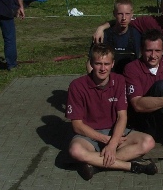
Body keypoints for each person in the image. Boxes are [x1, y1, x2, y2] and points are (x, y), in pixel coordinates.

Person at [67, 43, 157, 181]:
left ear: (113, 64)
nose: (103, 68)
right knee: (75, 151)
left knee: (148, 142)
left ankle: (95, 165)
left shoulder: (119, 80)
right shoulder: (77, 85)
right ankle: (130, 166)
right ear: (91, 64)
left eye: (106, 64)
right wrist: (107, 141)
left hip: (114, 132)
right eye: (98, 64)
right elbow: (77, 125)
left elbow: (122, 116)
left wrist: (112, 143)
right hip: (89, 135)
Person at [88, 0, 141, 75]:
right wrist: (94, 79)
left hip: (130, 77)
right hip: (108, 77)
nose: (124, 18)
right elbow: (91, 62)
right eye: (120, 14)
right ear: (114, 14)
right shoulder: (103, 35)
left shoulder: (137, 34)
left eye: (127, 14)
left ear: (132, 14)